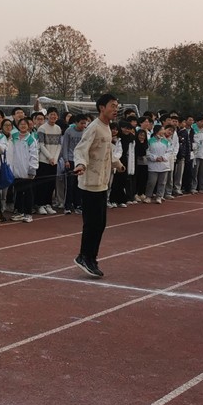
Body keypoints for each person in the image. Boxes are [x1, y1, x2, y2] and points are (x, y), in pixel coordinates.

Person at [72, 94, 124, 279]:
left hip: (102, 183)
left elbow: (107, 151)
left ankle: (92, 258)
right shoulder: (93, 127)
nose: (116, 109)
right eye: (112, 105)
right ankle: (84, 256)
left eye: (117, 106)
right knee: (92, 224)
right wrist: (80, 164)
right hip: (90, 183)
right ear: (102, 107)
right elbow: (80, 149)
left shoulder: (107, 127)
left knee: (100, 224)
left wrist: (118, 164)